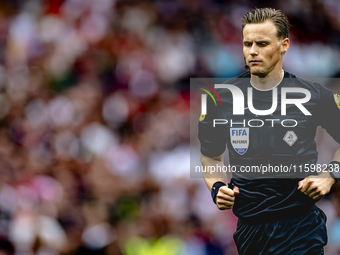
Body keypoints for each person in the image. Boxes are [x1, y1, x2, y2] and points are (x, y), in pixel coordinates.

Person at [198, 8, 340, 255]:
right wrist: (216, 186)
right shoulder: (219, 99)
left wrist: (329, 176)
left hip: (301, 227)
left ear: (284, 45)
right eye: (247, 43)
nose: (252, 51)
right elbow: (211, 155)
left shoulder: (314, 95)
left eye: (262, 43)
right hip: (251, 231)